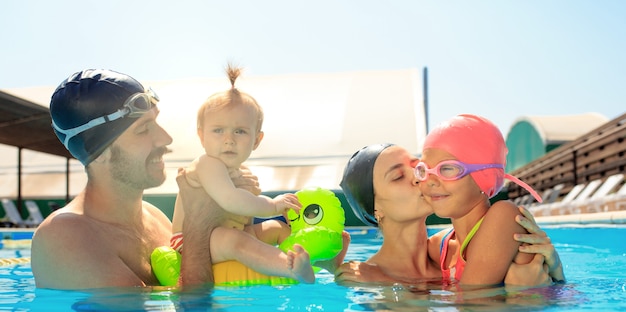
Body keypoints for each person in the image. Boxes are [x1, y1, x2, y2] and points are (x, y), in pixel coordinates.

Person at [31, 69, 310, 289]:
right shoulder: (65, 237)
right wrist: (199, 227)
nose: (166, 139)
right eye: (143, 130)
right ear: (98, 152)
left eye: (157, 122)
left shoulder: (155, 218)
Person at [336, 143, 564, 288]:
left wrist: (556, 272)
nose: (418, 178)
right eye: (397, 177)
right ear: (376, 209)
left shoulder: (455, 249)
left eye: (418, 168)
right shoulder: (363, 277)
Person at [170, 64, 314, 283]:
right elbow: (231, 200)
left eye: (240, 131)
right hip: (189, 242)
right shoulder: (207, 164)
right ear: (201, 136)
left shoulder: (242, 171)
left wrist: (277, 213)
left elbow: (246, 212)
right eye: (218, 130)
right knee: (236, 240)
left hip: (230, 233)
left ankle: (316, 258)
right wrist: (273, 206)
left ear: (256, 140)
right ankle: (289, 267)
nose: (229, 139)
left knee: (277, 227)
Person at [417, 114, 564, 286]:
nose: (431, 180)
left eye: (447, 168)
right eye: (423, 170)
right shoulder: (439, 246)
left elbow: (473, 306)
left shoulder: (505, 216)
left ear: (484, 176)